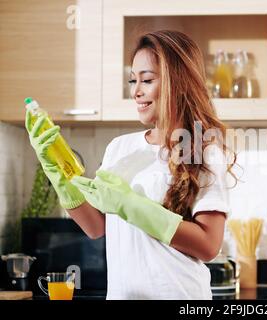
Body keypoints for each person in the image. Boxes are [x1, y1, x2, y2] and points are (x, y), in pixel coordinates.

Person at [25, 30, 237, 300]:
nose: (136, 91)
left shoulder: (204, 151)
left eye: (147, 80)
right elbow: (96, 227)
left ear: (178, 81)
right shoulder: (119, 147)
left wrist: (131, 205)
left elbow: (208, 245)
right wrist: (56, 171)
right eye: (133, 80)